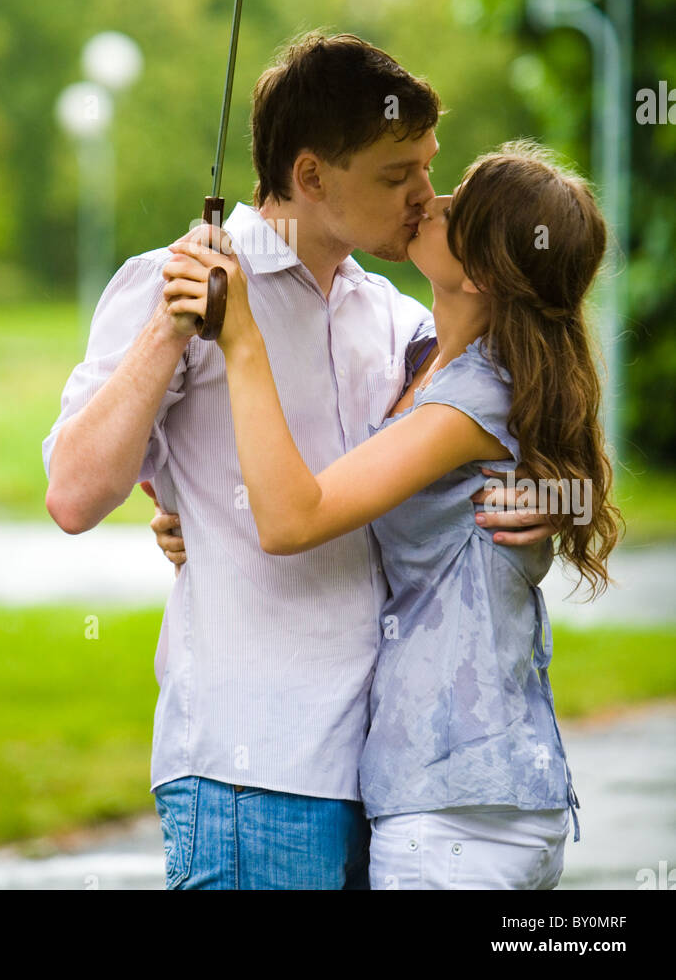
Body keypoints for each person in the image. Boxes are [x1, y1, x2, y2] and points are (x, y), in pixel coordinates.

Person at [42, 31, 554, 892]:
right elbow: (73, 495)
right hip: (255, 773)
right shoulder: (169, 285)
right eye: (399, 176)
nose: (426, 198)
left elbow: (496, 413)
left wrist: (551, 499)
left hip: (389, 781)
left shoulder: (390, 320)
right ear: (312, 177)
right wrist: (169, 334)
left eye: (429, 167)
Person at [159, 141, 622, 890]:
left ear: (480, 275)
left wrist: (242, 336)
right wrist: (203, 518)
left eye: (455, 207)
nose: (428, 200)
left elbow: (292, 518)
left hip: (459, 809)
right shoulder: (427, 358)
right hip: (463, 795)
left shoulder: (473, 397)